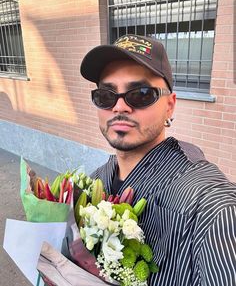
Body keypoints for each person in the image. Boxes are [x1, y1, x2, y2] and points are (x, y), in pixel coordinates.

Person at [80, 34, 236, 286]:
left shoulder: (211, 208)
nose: (119, 107)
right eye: (106, 95)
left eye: (141, 93)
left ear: (170, 106)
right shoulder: (95, 180)